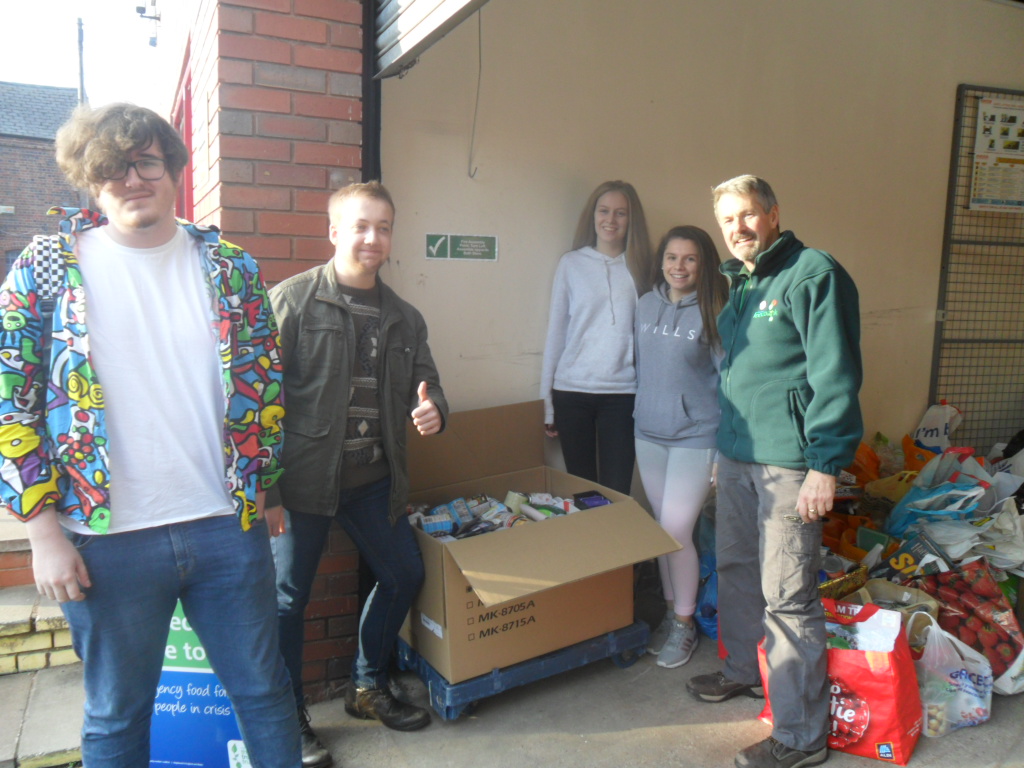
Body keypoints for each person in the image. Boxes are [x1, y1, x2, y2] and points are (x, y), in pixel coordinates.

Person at [0, 103, 300, 767]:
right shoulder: (49, 268)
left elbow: (264, 390)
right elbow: (11, 403)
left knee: (264, 693)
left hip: (227, 525)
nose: (132, 179)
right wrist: (42, 533)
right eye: (112, 169)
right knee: (116, 716)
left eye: (146, 162)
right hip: (106, 542)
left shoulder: (229, 267)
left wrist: (269, 488)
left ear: (171, 168)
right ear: (90, 179)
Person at [267, 181, 448, 766]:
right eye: (361, 225)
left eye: (384, 227)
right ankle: (288, 716)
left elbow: (431, 383)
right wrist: (266, 490)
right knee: (287, 600)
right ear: (335, 231)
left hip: (374, 479)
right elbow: (256, 401)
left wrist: (434, 409)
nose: (374, 238)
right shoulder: (292, 301)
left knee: (401, 574)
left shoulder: (404, 316)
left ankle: (366, 687)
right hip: (301, 484)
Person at [686, 175, 862, 768]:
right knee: (735, 568)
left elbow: (834, 374)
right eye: (727, 221)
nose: (737, 229)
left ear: (774, 214)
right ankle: (741, 670)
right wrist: (721, 450)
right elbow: (737, 382)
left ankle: (800, 736)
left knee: (787, 596)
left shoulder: (812, 274)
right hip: (737, 458)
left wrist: (825, 464)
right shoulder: (739, 284)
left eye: (747, 216)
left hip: (790, 467)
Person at [634, 225, 728, 669]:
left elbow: (730, 382)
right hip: (648, 432)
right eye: (672, 258)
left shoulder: (714, 311)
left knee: (675, 531)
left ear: (703, 264)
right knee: (660, 530)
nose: (679, 267)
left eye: (689, 259)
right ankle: (675, 615)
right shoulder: (645, 305)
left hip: (696, 436)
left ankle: (684, 626)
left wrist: (722, 450)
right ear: (661, 262)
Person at [540, 180, 652, 494]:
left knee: (617, 492)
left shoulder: (644, 267)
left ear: (632, 220)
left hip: (624, 395)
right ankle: (590, 545)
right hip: (571, 393)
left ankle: (617, 544)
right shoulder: (571, 264)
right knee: (583, 493)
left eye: (621, 213)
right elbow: (556, 334)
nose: (611, 220)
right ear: (593, 215)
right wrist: (548, 405)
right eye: (604, 211)